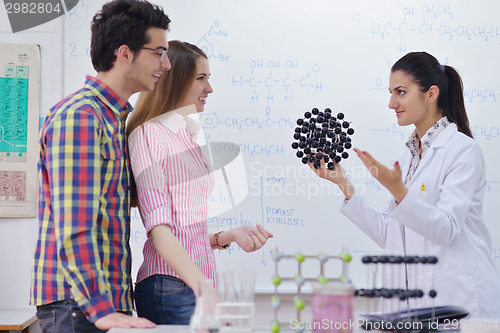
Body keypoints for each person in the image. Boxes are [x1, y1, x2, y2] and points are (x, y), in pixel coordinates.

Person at [311, 51, 500, 318]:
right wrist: (343, 183)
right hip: (413, 307)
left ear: (431, 94)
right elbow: (391, 236)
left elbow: (445, 229)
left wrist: (399, 191)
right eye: (391, 92)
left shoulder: (462, 150)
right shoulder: (408, 157)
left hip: (462, 301)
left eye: (400, 92)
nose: (391, 103)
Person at [30, 0, 172, 332]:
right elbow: (76, 224)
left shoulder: (113, 119)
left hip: (103, 302)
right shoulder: (81, 117)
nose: (165, 65)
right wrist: (99, 308)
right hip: (80, 306)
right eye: (159, 52)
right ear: (125, 53)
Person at [126, 40, 274, 325]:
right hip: (169, 287)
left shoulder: (188, 136)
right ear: (175, 81)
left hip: (190, 285)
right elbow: (159, 230)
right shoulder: (148, 135)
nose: (210, 88)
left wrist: (226, 237)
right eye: (201, 78)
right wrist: (204, 289)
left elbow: (184, 233)